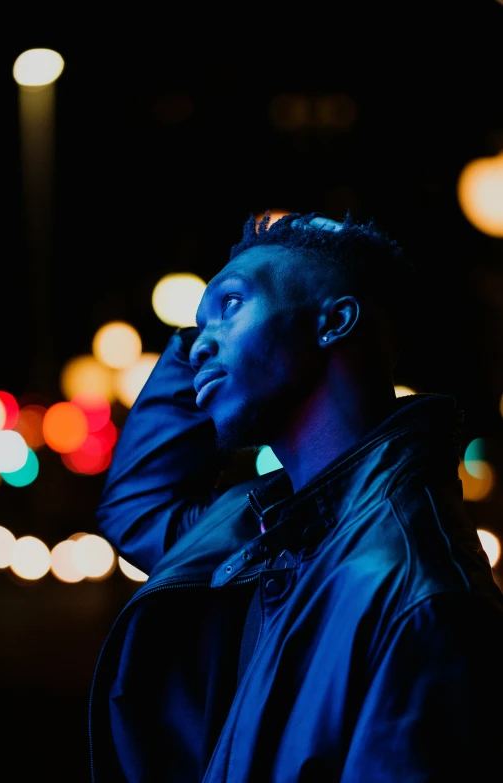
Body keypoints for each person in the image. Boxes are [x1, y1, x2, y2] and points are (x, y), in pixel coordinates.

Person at [88, 210, 503, 782]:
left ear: (334, 321)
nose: (201, 346)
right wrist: (212, 333)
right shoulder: (264, 527)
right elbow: (137, 504)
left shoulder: (417, 594)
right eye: (198, 328)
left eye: (231, 305)